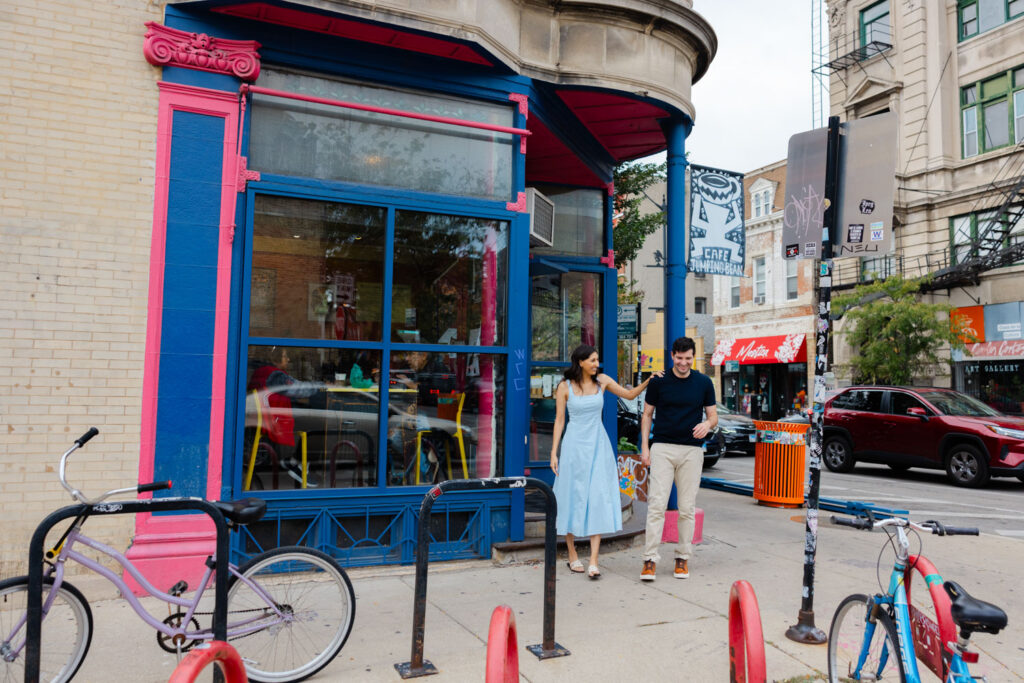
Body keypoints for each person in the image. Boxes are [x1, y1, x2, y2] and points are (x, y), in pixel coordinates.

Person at [550, 344, 661, 579]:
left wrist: (648, 381)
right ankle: (571, 554)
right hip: (573, 447)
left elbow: (629, 395)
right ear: (580, 362)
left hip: (598, 445)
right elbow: (560, 421)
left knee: (598, 496)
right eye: (591, 360)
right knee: (570, 494)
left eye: (597, 359)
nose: (596, 364)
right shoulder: (564, 386)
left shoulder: (602, 381)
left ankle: (593, 560)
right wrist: (553, 452)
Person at [639, 336, 717, 581]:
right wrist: (645, 447)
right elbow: (647, 414)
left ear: (693, 357)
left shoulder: (704, 382)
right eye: (680, 358)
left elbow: (713, 417)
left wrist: (707, 425)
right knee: (656, 506)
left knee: (686, 509)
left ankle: (682, 557)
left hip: (691, 452)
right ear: (672, 356)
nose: (684, 363)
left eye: (688, 358)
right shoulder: (659, 381)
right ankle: (649, 559)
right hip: (662, 448)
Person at [247, 347, 319, 487]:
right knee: (316, 425)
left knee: (309, 419)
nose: (288, 359)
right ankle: (296, 464)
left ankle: (295, 463)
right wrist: (321, 386)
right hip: (276, 421)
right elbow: (299, 389)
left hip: (264, 417)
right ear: (276, 360)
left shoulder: (261, 372)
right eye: (285, 356)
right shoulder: (276, 375)